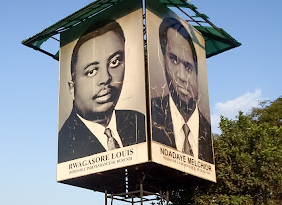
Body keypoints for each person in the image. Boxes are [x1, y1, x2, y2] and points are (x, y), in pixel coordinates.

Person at [58, 19, 146, 163]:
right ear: (72, 87)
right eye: (91, 71)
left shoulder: (138, 122)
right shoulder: (66, 144)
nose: (106, 78)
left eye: (114, 62)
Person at [151, 17, 214, 163]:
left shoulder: (207, 130)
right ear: (164, 62)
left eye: (188, 67)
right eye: (173, 60)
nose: (181, 76)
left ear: (197, 74)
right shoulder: (149, 117)